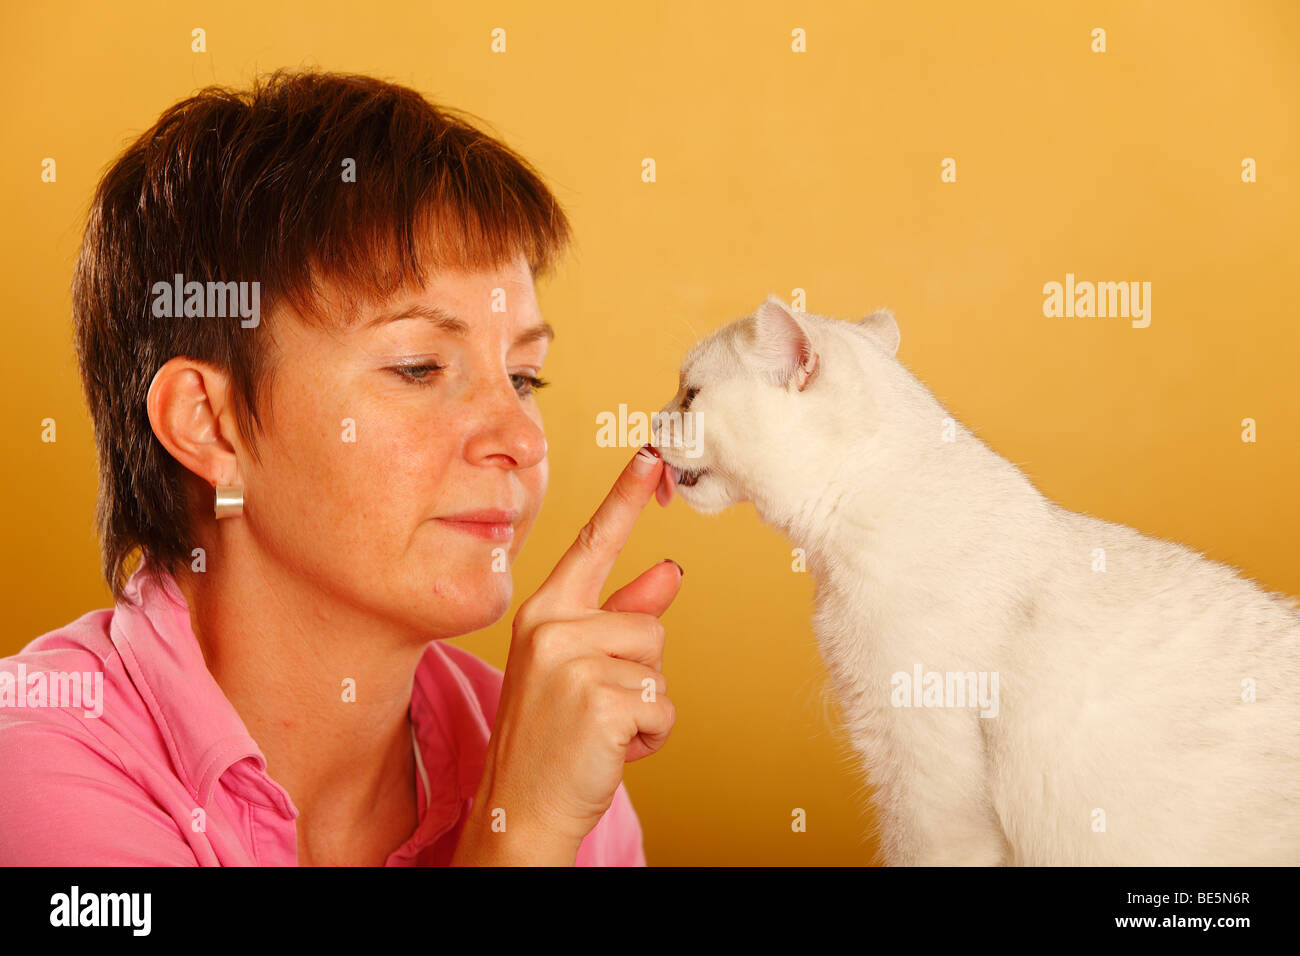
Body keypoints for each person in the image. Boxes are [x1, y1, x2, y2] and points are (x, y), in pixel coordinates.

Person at [0, 69, 682, 866]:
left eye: (524, 378)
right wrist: (521, 832)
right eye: (421, 368)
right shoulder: (34, 769)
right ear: (209, 424)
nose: (522, 440)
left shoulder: (551, 748)